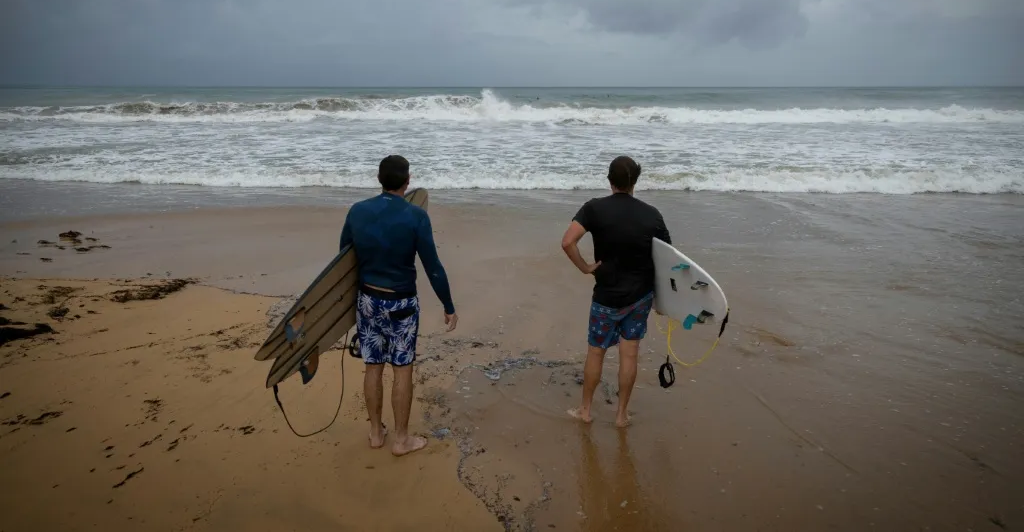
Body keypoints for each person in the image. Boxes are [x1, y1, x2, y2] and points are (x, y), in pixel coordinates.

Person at [340, 154, 458, 456]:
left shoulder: (357, 211)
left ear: (379, 179)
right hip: (401, 303)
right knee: (402, 369)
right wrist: (448, 305)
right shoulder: (416, 217)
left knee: (373, 367)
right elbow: (433, 266)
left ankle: (376, 432)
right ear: (408, 180)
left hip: (367, 300)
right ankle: (402, 440)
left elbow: (343, 260)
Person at [560, 156, 671, 428]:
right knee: (629, 354)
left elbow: (567, 242)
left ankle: (585, 410)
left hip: (606, 296)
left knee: (596, 352)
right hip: (639, 297)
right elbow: (668, 259)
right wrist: (664, 299)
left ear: (609, 180)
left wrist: (585, 267)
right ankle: (621, 415)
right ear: (635, 181)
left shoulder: (594, 209)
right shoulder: (652, 214)